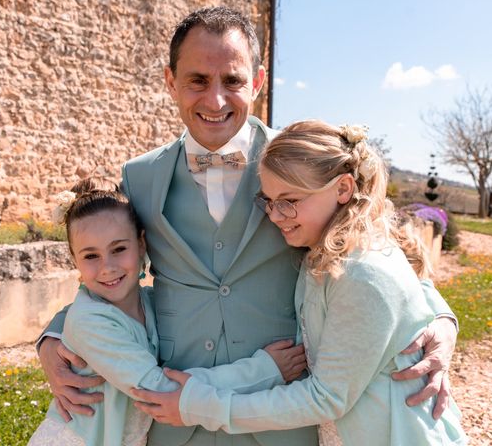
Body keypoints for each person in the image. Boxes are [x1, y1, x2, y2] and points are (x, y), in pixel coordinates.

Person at [38, 7, 459, 446]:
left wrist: (441, 321)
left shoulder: (300, 162)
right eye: (198, 80)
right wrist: (53, 336)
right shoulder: (140, 176)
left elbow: (374, 248)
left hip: (283, 415)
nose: (215, 100)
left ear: (256, 82)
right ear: (170, 81)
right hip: (173, 415)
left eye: (233, 81)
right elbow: (109, 265)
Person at [131, 121, 468, 445]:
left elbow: (326, 397)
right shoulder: (327, 251)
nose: (275, 216)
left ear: (343, 188)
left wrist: (201, 406)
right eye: (269, 201)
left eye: (289, 202)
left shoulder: (360, 271)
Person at [29, 178, 306, 446]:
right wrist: (264, 370)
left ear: (141, 245)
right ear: (73, 258)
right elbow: (159, 392)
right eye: (91, 256)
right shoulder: (90, 321)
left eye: (119, 249)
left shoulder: (151, 302)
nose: (107, 267)